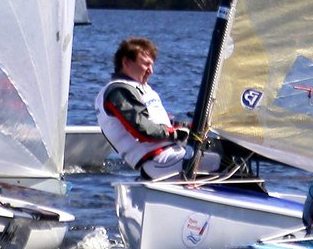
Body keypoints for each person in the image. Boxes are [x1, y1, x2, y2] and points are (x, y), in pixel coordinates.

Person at [99, 37, 245, 181]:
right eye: (146, 64)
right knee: (231, 163)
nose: (151, 71)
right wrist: (176, 134)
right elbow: (143, 130)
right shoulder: (118, 92)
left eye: (152, 65)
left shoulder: (142, 89)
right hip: (158, 162)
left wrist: (190, 127)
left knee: (235, 150)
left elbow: (162, 123)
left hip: (172, 156)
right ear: (126, 62)